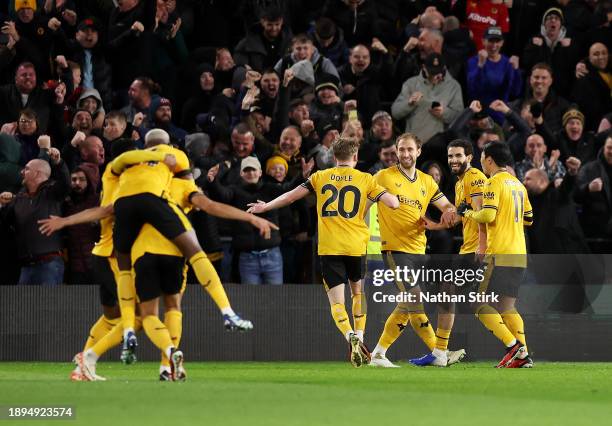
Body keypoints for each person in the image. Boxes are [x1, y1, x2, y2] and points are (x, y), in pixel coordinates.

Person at [248, 134, 400, 367]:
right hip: (356, 246)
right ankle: (359, 336)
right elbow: (392, 203)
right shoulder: (366, 179)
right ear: (355, 157)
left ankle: (349, 335)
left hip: (329, 247)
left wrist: (265, 206)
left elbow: (290, 197)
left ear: (334, 157)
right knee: (358, 294)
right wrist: (390, 197)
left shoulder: (320, 177)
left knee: (337, 303)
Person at [367, 133, 459, 368]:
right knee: (414, 299)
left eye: (410, 150)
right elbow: (363, 202)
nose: (405, 154)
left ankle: (378, 353)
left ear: (419, 151)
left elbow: (446, 205)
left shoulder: (427, 182)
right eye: (401, 150)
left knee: (407, 305)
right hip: (395, 250)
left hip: (419, 250)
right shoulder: (383, 176)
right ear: (396, 152)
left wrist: (448, 212)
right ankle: (440, 352)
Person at [409, 139, 486, 367]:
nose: (453, 160)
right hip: (469, 248)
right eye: (450, 156)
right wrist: (434, 225)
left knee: (456, 293)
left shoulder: (475, 178)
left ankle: (441, 352)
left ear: (470, 157)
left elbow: (483, 215)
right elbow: (461, 215)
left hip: (477, 249)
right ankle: (440, 352)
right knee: (454, 294)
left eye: (458, 155)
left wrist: (482, 246)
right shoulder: (461, 182)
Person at [458, 141, 534, 368]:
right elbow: (529, 219)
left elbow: (488, 216)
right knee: (507, 307)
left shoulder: (493, 183)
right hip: (519, 253)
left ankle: (513, 346)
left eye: (483, 157)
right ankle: (524, 356)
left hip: (499, 253)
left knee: (476, 302)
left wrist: (468, 212)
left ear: (489, 159)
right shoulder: (519, 185)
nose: (482, 161)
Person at [0, 148, 69, 285]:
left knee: (46, 305)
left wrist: (58, 162)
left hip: (49, 265)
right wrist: (1, 205)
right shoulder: (18, 198)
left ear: (37, 173)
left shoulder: (52, 193)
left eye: (26, 169)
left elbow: (65, 184)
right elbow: (5, 223)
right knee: (26, 305)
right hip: (25, 266)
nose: (21, 172)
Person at [391, 53, 463, 144]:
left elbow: (459, 117)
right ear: (424, 67)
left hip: (440, 144)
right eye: (432, 72)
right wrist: (409, 103)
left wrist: (444, 113)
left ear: (444, 68)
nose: (436, 76)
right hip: (414, 144)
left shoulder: (454, 86)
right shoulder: (411, 84)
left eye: (439, 72)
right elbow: (395, 113)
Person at [467, 26, 522, 125]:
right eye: (491, 41)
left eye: (497, 41)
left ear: (502, 43)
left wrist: (516, 70)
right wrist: (480, 66)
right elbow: (472, 89)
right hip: (478, 116)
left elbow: (515, 91)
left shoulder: (507, 63)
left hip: (499, 117)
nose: (494, 45)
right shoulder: (474, 61)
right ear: (483, 41)